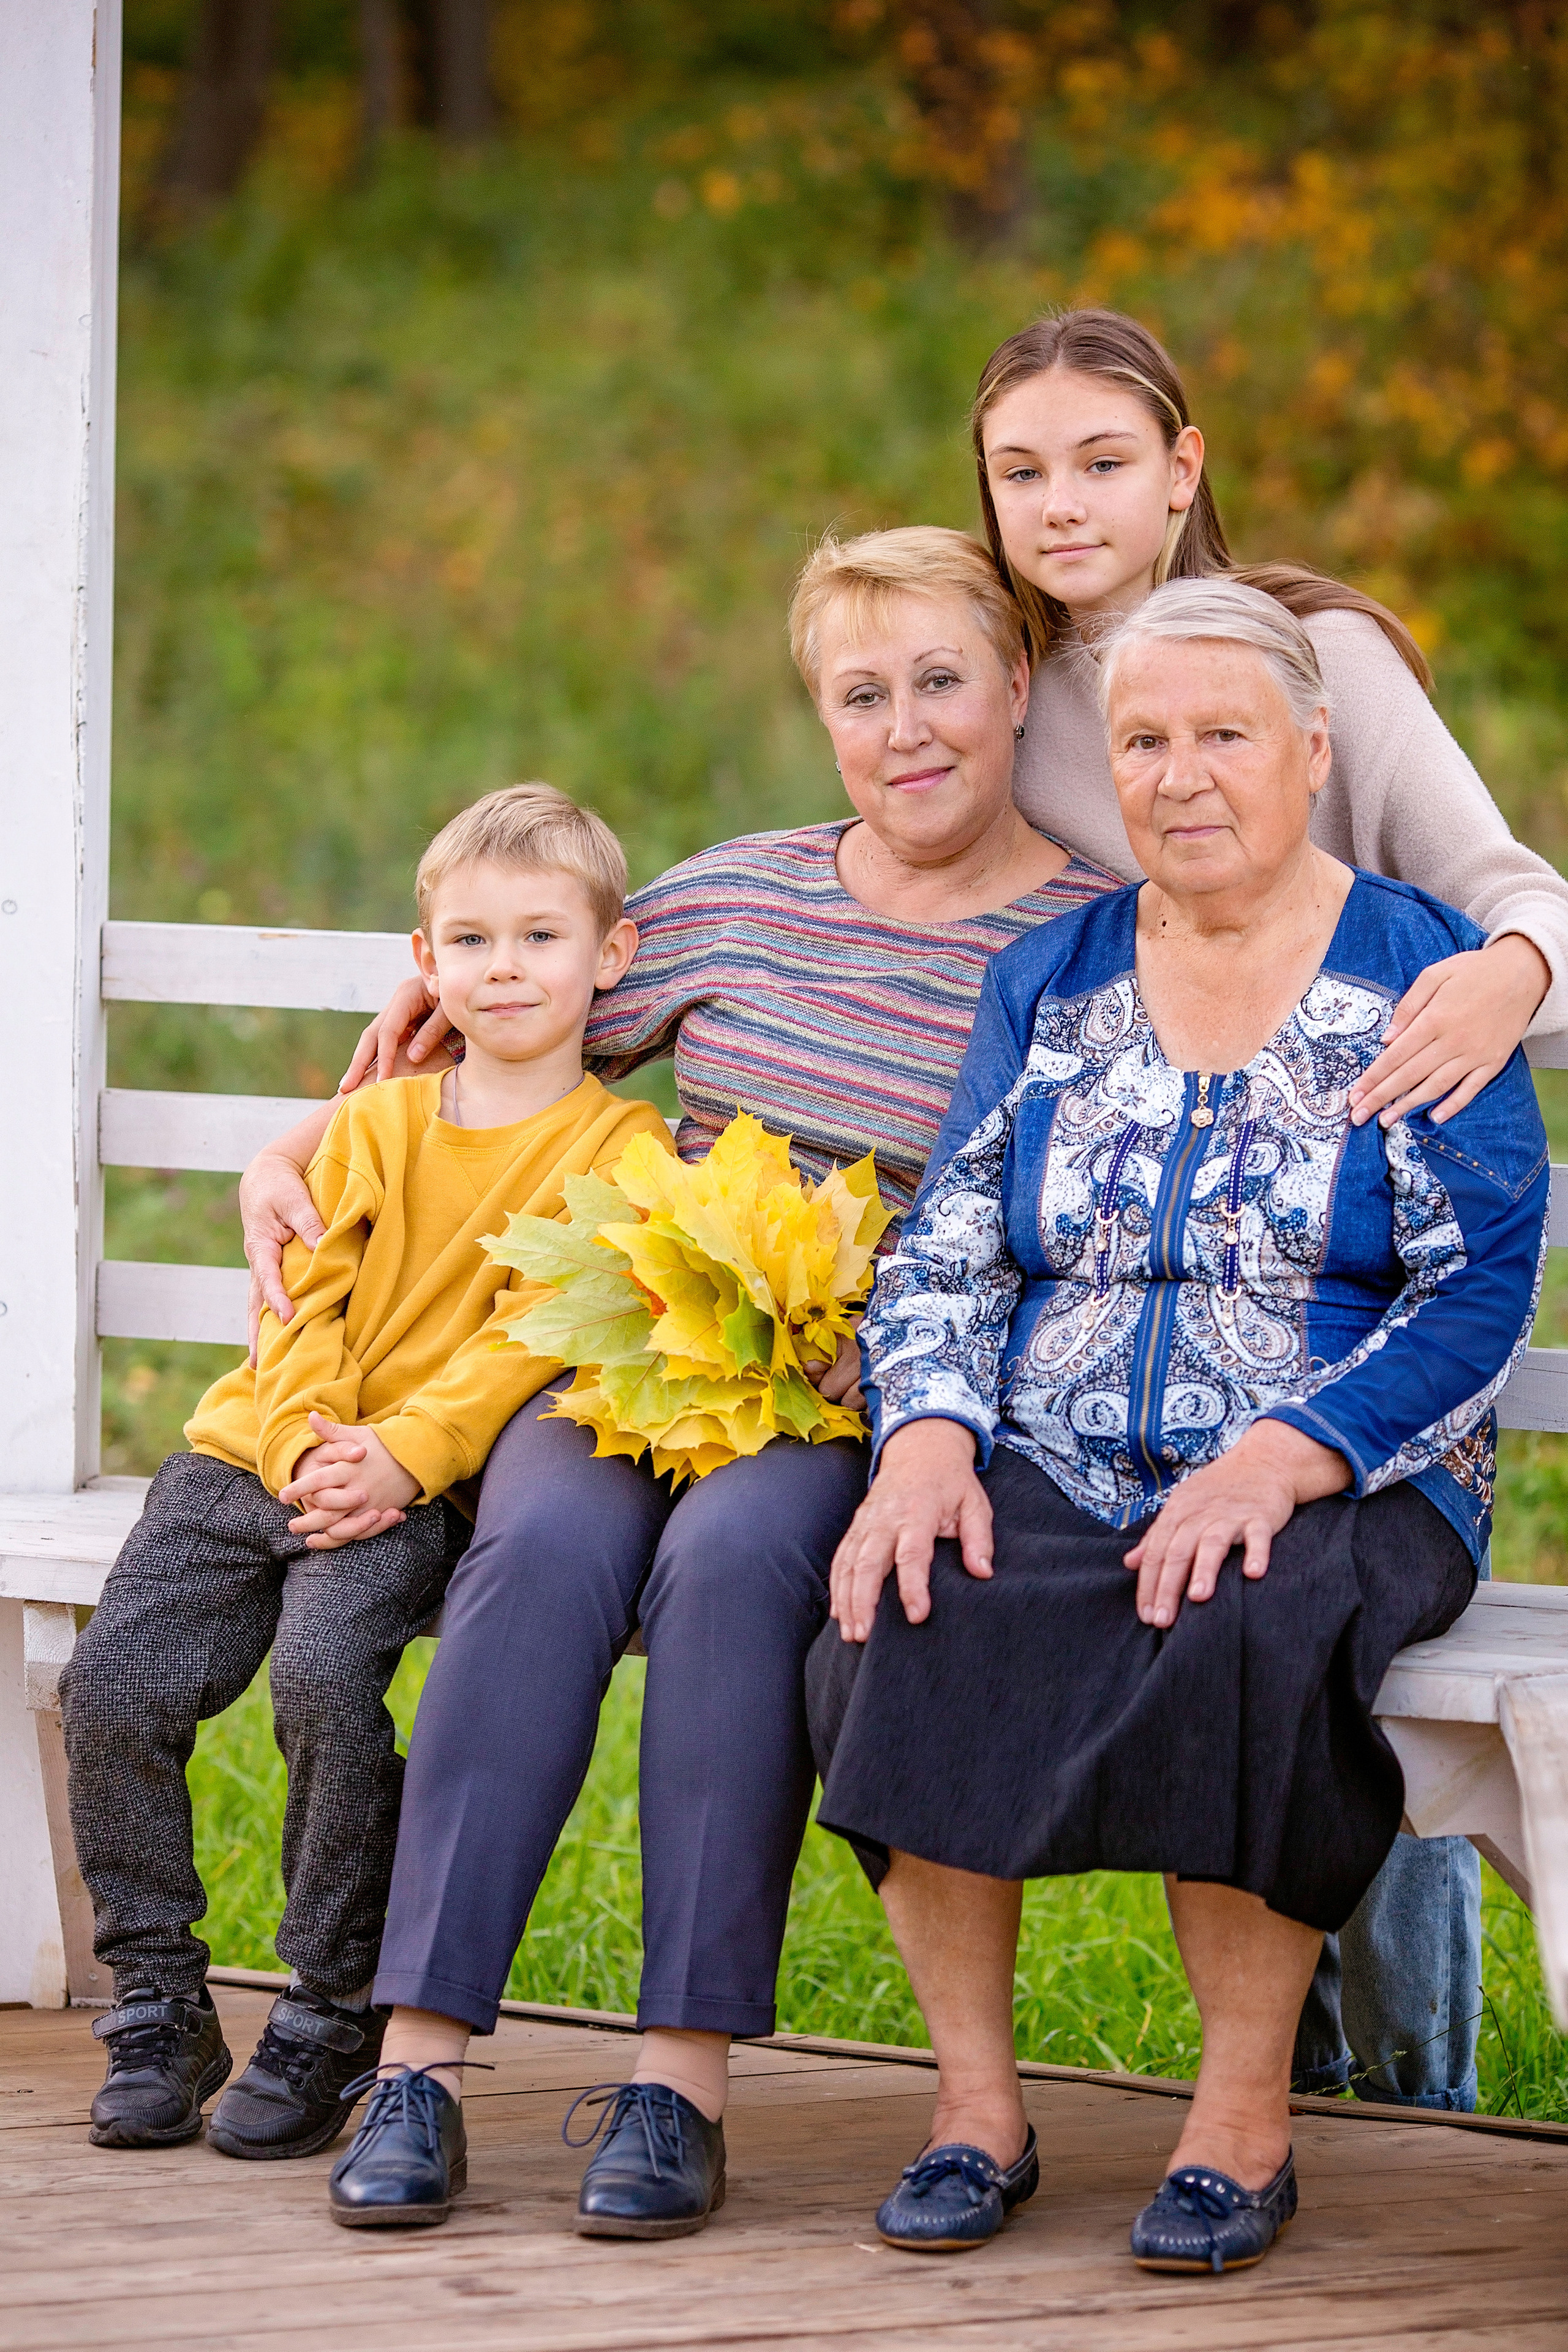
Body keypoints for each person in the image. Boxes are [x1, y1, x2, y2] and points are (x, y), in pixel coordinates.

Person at [242, 529, 1123, 2233]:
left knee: (732, 1568)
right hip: (635, 1352)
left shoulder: (1085, 937)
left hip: (851, 1385)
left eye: (942, 680)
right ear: (822, 717)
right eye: (862, 695)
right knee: (541, 1545)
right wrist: (289, 1150)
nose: (907, 727)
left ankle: (675, 2079)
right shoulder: (738, 890)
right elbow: (457, 1027)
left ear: (1019, 687)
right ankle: (416, 2061)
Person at [807, 579, 1548, 2269]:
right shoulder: (1052, 973)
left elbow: (1482, 1282)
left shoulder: (1418, 972)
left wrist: (1286, 1457)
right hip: (1061, 1441)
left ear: (1309, 749)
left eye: (1224, 736)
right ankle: (976, 2110)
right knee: (907, 1599)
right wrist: (924, 1433)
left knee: (1249, 1621)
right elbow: (953, 1241)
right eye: (1144, 740)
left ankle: (1240, 2127)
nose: (1181, 774)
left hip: (1349, 1461)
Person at [971, 307, 1568, 2113]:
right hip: (1155, 1262)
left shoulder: (1319, 659)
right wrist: (536, 974)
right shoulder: (1015, 705)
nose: (1063, 504)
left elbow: (1507, 880)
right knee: (1156, 1556)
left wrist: (1507, 969)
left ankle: (1418, 2079)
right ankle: (1280, 2054)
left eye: (1103, 461)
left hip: (1369, 1245)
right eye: (1021, 471)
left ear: (1185, 470)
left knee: (1308, 1606)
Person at [60, 785, 668, 2169]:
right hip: (252, 1454)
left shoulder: (617, 1151)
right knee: (113, 1689)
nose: (501, 969)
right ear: (425, 961)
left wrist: (397, 1458)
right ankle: (158, 1999)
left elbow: (534, 1338)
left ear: (609, 957)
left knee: (325, 1685)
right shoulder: (380, 1121)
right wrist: (304, 1448)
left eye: (537, 937)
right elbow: (301, 1294)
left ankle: (330, 2010)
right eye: (470, 941)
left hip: (409, 1490)